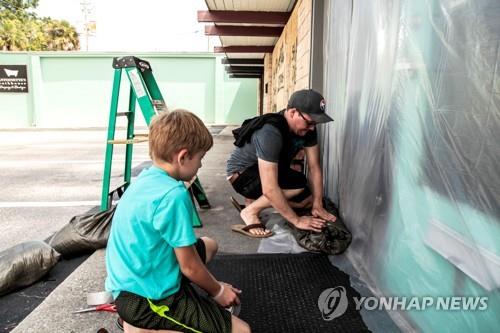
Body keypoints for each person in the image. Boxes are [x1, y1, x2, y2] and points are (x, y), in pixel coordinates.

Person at [105, 110, 250, 333]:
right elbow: (190, 267)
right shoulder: (173, 195)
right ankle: (140, 326)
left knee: (209, 245)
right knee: (242, 331)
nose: (201, 165)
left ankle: (140, 321)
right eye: (200, 158)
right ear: (182, 157)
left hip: (131, 279)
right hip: (145, 298)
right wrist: (218, 290)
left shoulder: (146, 178)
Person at [227, 89, 337, 238]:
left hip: (261, 172)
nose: (312, 127)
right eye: (310, 122)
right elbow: (270, 188)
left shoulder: (309, 129)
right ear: (292, 112)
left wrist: (318, 204)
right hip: (242, 175)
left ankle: (254, 202)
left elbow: (314, 167)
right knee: (298, 184)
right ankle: (250, 211)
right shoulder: (270, 132)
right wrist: (297, 220)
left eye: (315, 123)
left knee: (307, 201)